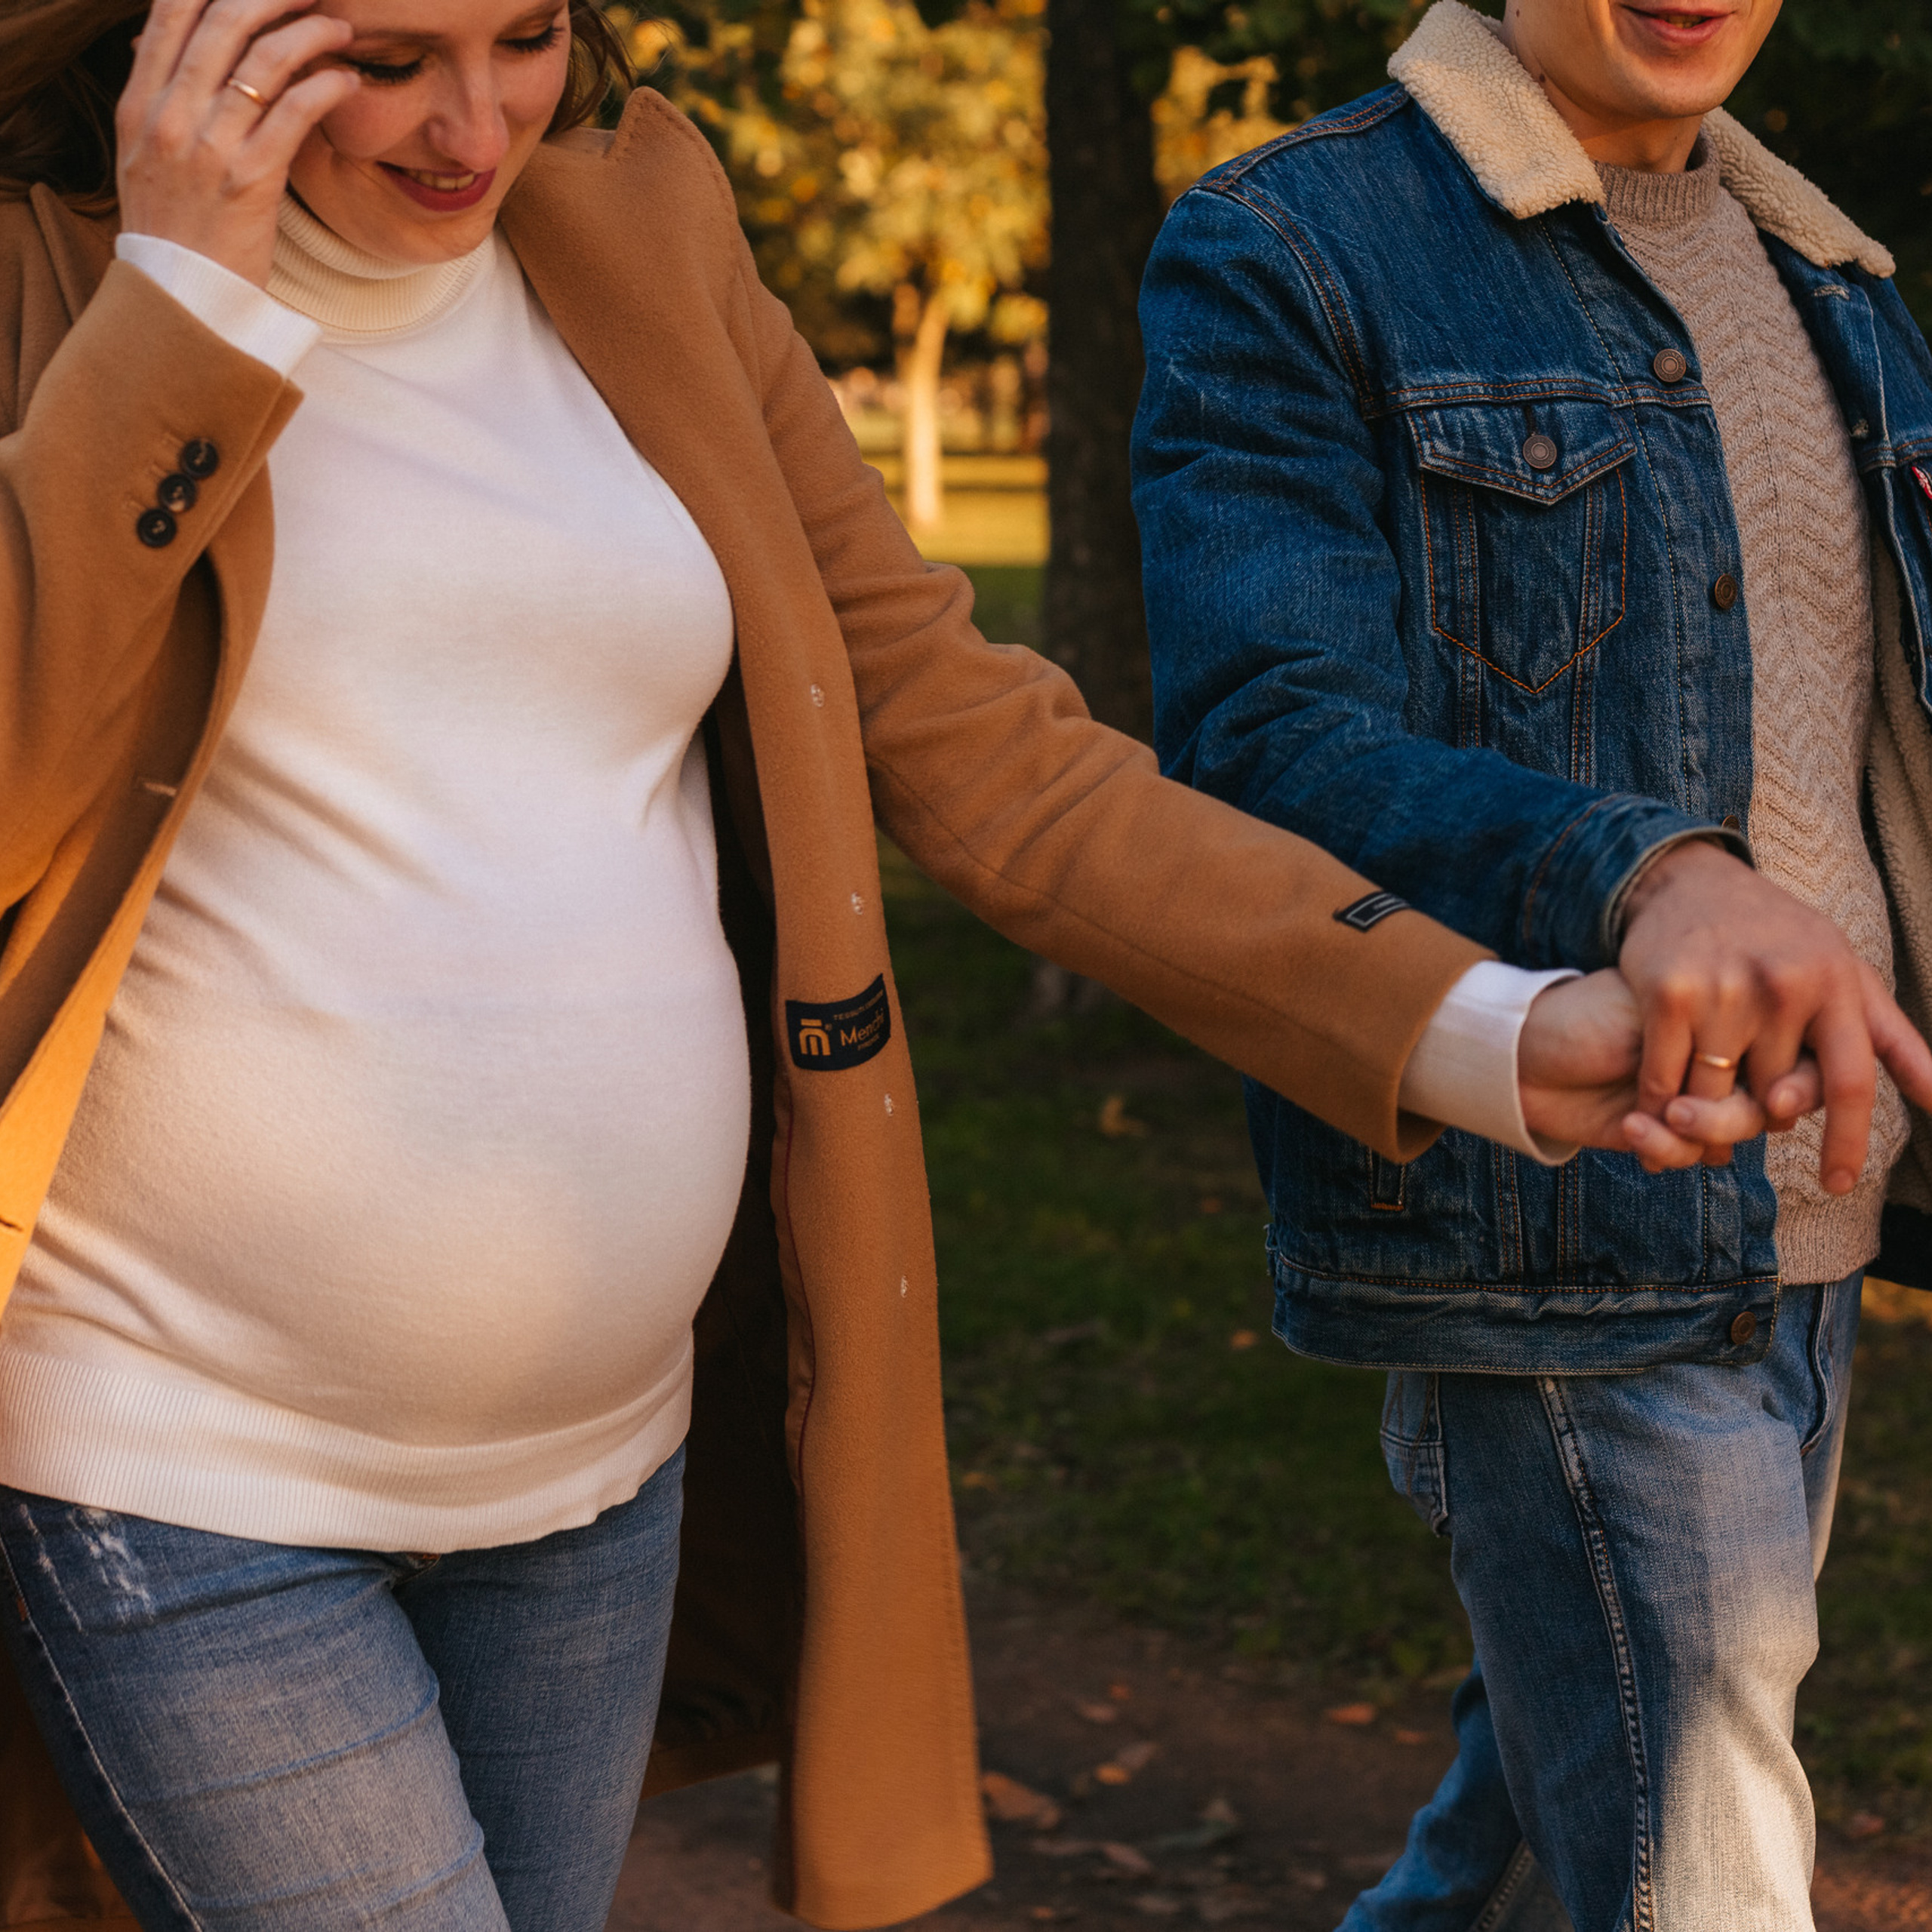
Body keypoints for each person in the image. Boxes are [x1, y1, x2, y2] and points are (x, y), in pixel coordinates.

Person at [0, 0, 1893, 1927]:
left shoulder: (635, 214)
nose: (471, 123)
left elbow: (985, 749)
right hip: (173, 1444)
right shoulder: (50, 271)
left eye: (521, 36)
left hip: (590, 1469)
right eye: (386, 58)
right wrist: (179, 309)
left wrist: (1485, 1025)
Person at [1134, 1, 1932, 1927]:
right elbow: (1268, 736)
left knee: (1582, 1769)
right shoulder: (1291, 246)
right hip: (1576, 1213)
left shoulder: (1830, 277)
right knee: (1704, 1863)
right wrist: (1642, 871)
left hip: (1818, 1211)